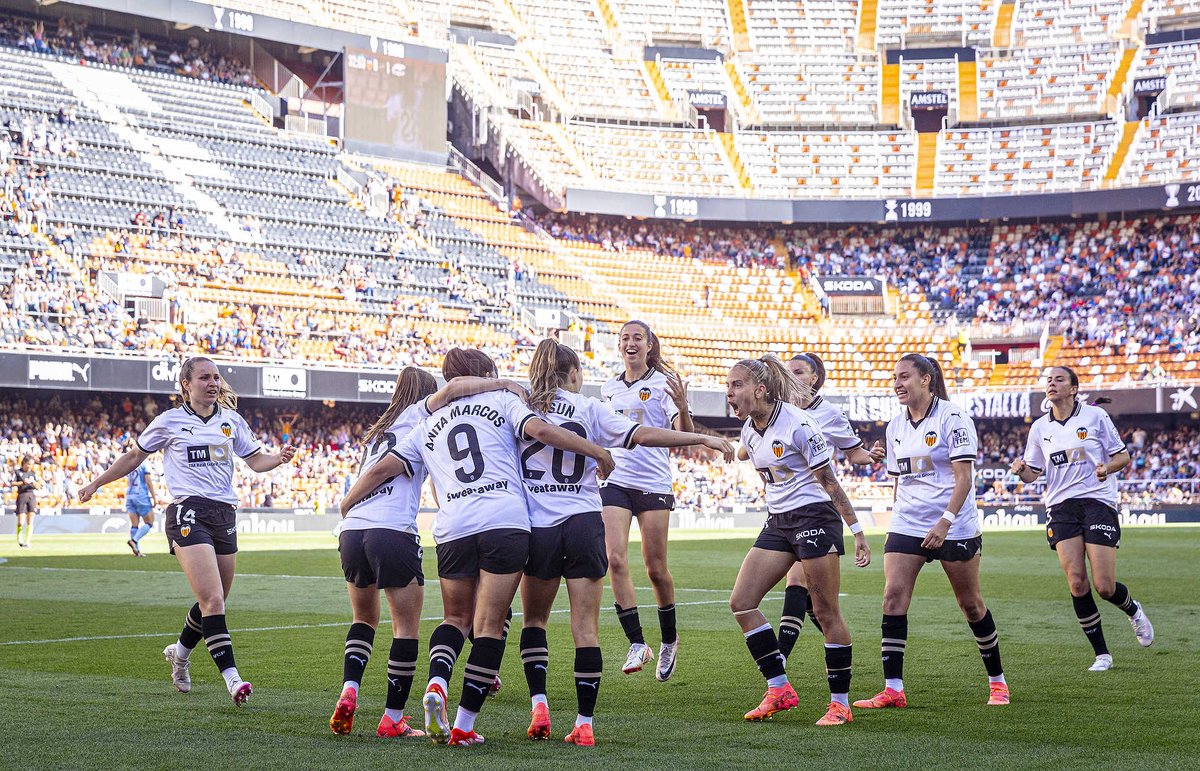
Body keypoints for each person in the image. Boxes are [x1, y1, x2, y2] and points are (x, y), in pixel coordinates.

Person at [343, 348, 614, 747]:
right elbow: (541, 431)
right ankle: (464, 726)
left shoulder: (428, 419)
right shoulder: (503, 399)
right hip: (504, 521)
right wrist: (596, 451)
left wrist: (349, 500)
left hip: (453, 525)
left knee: (455, 618)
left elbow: (384, 468)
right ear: (486, 373)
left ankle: (437, 682)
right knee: (489, 625)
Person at [518, 339, 734, 746]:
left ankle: (540, 704)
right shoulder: (591, 408)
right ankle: (584, 723)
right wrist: (701, 440)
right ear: (575, 374)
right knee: (586, 630)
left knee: (535, 622)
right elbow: (644, 435)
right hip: (583, 522)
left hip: (539, 526)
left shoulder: (522, 405)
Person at [79, 357, 296, 705]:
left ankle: (179, 655)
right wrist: (96, 483)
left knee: (215, 600)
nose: (213, 383)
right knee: (212, 600)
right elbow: (134, 457)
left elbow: (256, 461)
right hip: (186, 512)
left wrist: (278, 457)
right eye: (205, 377)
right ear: (186, 384)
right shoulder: (169, 421)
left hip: (224, 514)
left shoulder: (231, 421)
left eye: (216, 377)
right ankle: (233, 679)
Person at [331, 367, 528, 739]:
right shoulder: (421, 415)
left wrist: (347, 505)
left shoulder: (378, 430)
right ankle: (392, 718)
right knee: (407, 628)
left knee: (364, 619)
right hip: (391, 529)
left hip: (353, 530)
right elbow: (454, 388)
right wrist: (501, 383)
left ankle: (350, 689)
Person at [854, 353, 1009, 711]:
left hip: (954, 524)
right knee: (893, 597)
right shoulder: (894, 427)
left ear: (926, 379)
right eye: (895, 377)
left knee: (970, 604)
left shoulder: (953, 417)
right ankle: (893, 689)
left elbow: (964, 478)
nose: (897, 383)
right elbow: (900, 480)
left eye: (905, 376)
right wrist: (898, 518)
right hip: (908, 521)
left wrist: (945, 521)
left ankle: (998, 682)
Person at [726, 356, 870, 727]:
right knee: (742, 603)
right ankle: (779, 688)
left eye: (737, 385)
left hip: (815, 516)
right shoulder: (748, 429)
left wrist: (856, 532)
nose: (730, 392)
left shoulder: (799, 423)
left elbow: (830, 481)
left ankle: (840, 704)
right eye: (728, 385)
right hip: (780, 521)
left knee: (825, 612)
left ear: (760, 389)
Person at [1009, 366, 1153, 671]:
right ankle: (1102, 654)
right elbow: (1033, 475)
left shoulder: (1095, 416)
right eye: (1048, 380)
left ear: (1074, 388)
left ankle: (1133, 610)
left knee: (1104, 585)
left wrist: (1106, 469)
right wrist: (1021, 469)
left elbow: (1122, 456)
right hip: (1060, 507)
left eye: (1059, 379)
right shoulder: (1039, 429)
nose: (1051, 384)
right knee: (1076, 582)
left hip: (1097, 501)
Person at [775, 353, 884, 663]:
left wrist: (870, 456)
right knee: (815, 603)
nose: (791, 376)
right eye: (788, 371)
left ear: (814, 378)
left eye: (798, 372)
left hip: (817, 508)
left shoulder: (830, 414)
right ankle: (835, 641)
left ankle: (778, 661)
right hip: (784, 509)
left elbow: (854, 453)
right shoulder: (778, 412)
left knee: (796, 582)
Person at [600, 320, 691, 680]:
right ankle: (637, 642)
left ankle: (669, 638)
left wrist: (683, 407)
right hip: (617, 481)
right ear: (619, 346)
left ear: (650, 345)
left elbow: (682, 437)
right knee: (614, 559)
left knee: (655, 568)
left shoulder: (664, 384)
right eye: (625, 338)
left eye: (638, 337)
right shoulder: (608, 389)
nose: (631, 343)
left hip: (653, 481)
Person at [124, 459, 159, 556]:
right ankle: (134, 541)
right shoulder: (144, 462)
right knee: (149, 522)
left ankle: (136, 551)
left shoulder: (130, 461)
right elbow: (148, 480)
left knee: (134, 525)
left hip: (129, 495)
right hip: (141, 495)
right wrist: (154, 497)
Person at [13, 457, 39, 548]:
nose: (30, 466)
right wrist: (23, 483)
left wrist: (37, 485)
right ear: (23, 463)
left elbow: (38, 485)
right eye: (28, 464)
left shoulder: (33, 473)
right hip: (22, 495)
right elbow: (12, 483)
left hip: (31, 496)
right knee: (21, 521)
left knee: (30, 519)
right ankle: (19, 539)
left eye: (31, 464)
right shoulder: (17, 472)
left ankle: (27, 541)